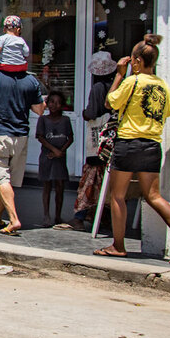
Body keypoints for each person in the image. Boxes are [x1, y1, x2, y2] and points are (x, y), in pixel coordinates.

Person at [93, 34, 170, 264]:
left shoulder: (132, 81)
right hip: (152, 145)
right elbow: (165, 114)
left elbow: (110, 103)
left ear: (138, 61)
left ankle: (118, 246)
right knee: (153, 196)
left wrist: (120, 75)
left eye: (132, 60)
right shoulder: (161, 85)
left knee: (117, 196)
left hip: (129, 143)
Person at [0, 65, 45, 235]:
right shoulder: (30, 80)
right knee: (6, 180)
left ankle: (14, 219)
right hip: (20, 137)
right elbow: (40, 110)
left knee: (1, 178)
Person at [56, 51, 117, 231]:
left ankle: (80, 216)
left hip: (98, 140)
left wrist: (84, 114)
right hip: (112, 140)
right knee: (105, 179)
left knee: (90, 179)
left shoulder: (98, 88)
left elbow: (91, 113)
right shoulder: (115, 86)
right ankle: (102, 215)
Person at [36, 91, 73, 226]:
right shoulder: (43, 119)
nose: (54, 105)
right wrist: (54, 150)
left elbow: (70, 138)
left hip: (60, 159)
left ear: (62, 105)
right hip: (47, 157)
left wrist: (60, 151)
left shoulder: (66, 120)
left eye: (58, 103)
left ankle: (58, 215)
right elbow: (40, 137)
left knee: (60, 186)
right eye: (52, 102)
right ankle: (46, 215)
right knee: (47, 185)